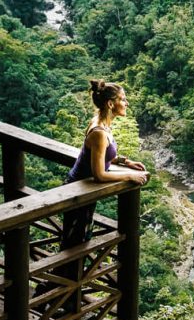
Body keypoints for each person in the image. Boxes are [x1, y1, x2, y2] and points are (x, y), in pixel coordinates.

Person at [61, 78, 149, 248]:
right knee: (74, 244)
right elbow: (99, 174)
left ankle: (69, 274)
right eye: (122, 99)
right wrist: (130, 176)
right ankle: (65, 274)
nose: (127, 103)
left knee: (79, 240)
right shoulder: (99, 132)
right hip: (77, 192)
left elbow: (102, 154)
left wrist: (126, 161)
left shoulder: (102, 123)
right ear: (110, 104)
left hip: (83, 190)